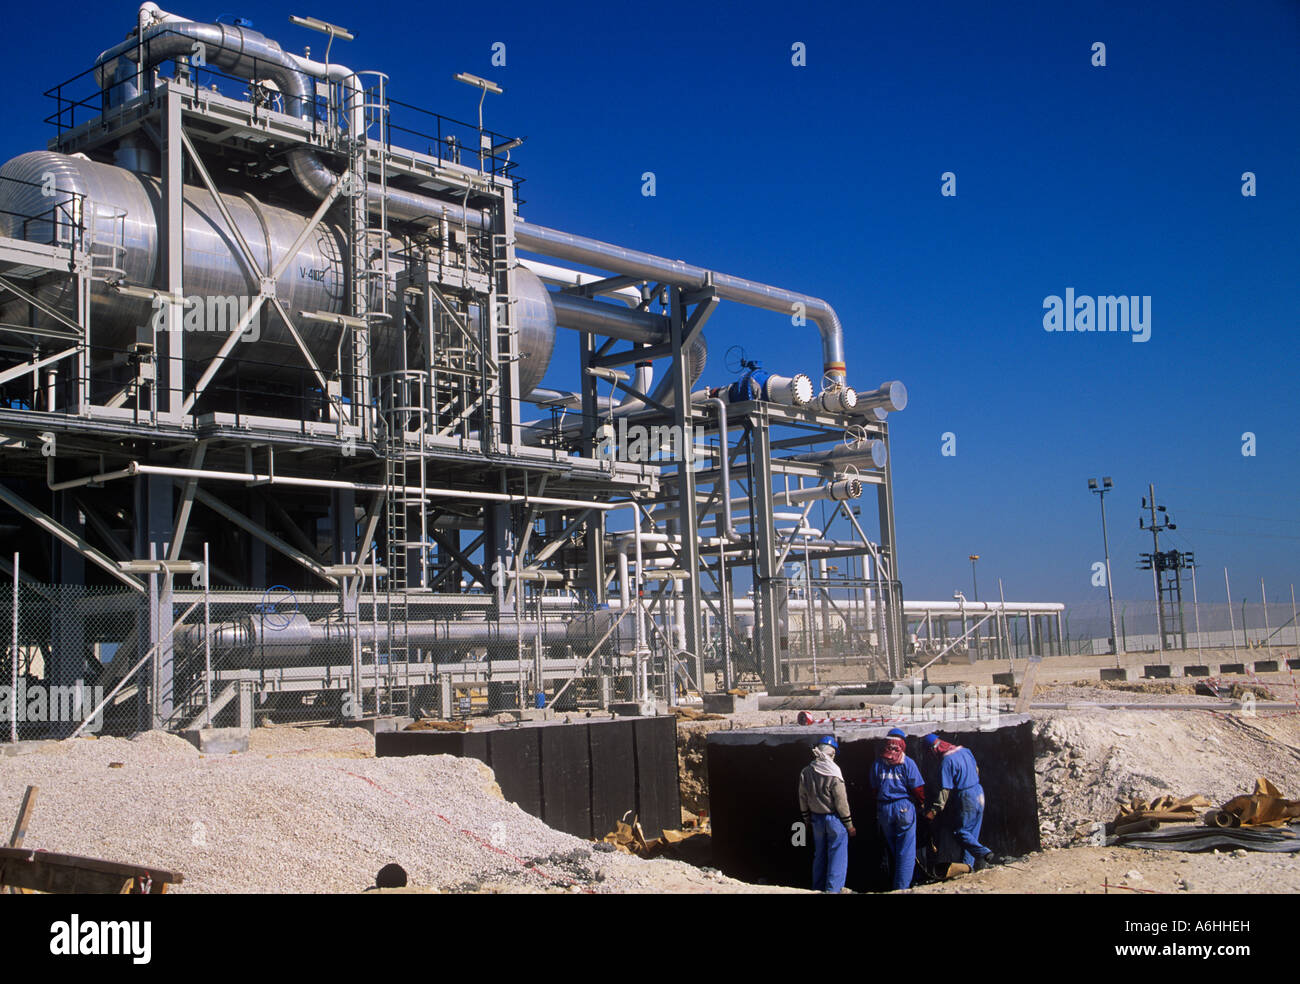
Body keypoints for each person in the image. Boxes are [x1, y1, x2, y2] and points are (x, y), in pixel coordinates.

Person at [921, 733, 998, 871]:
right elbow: (977, 770)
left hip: (966, 796)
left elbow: (944, 792)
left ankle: (984, 853)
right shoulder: (965, 750)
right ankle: (968, 867)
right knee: (972, 834)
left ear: (932, 750)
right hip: (979, 791)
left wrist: (933, 811)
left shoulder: (946, 761)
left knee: (960, 832)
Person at [798, 734, 856, 892]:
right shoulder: (834, 773)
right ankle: (833, 889)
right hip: (834, 820)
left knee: (820, 856)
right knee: (837, 856)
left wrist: (806, 819)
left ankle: (817, 888)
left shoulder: (806, 772)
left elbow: (802, 798)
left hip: (816, 820)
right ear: (833, 753)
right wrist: (849, 825)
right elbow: (841, 802)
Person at [869, 728, 925, 890]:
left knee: (894, 848)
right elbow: (918, 789)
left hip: (884, 809)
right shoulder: (907, 762)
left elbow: (873, 789)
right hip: (903, 807)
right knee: (905, 852)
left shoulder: (878, 763)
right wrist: (921, 804)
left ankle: (901, 881)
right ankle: (902, 887)